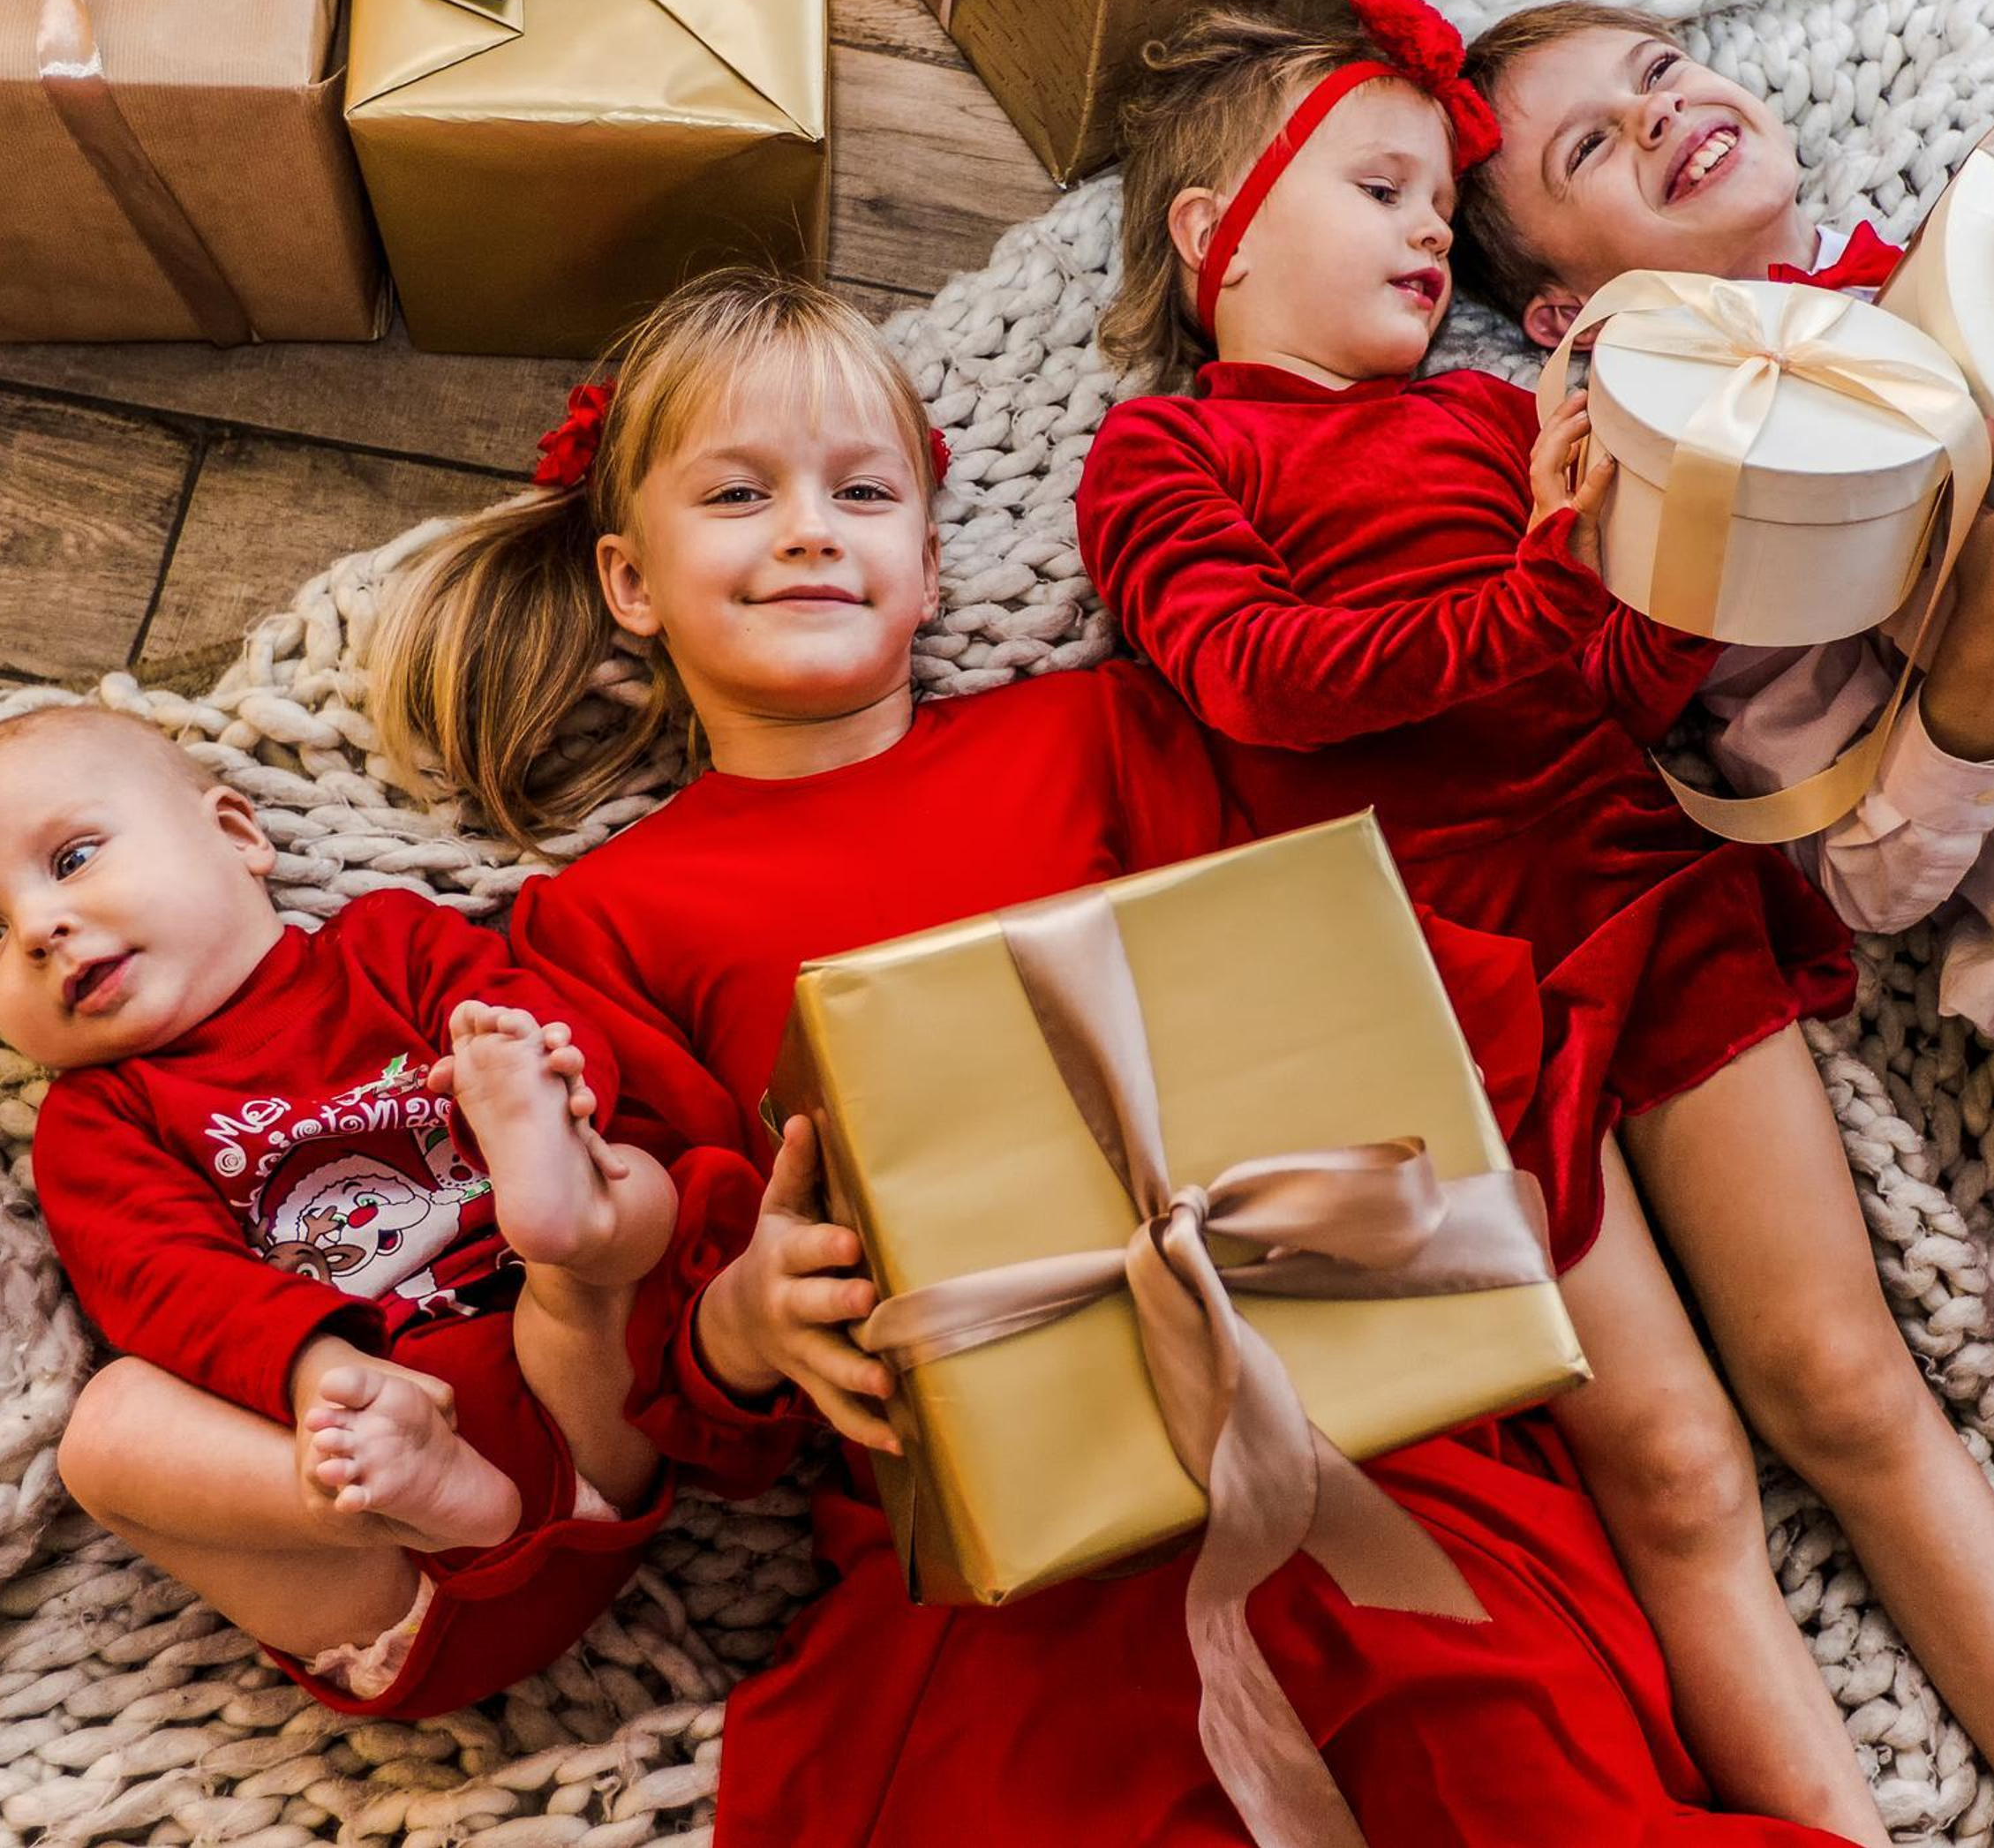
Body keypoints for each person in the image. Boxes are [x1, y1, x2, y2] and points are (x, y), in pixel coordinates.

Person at [372, 267, 1861, 1848]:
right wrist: (750, 1322)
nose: (809, 529)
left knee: (1513, 1759)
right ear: (628, 581)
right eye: (740, 495)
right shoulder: (601, 923)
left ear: (931, 566)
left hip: (1323, 1420)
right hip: (1013, 1539)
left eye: (861, 493)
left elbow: (1338, 982)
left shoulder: (1102, 734)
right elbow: (667, 1330)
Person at [1455, 0, 1994, 1848]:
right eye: (1590, 150)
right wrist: (1989, 658)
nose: (1662, 108)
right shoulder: (1704, 521)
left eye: (1661, 65)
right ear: (1564, 323)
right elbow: (1861, 881)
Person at [6, 704, 747, 1717]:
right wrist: (334, 1393)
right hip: (380, 1569)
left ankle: (556, 1201)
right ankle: (373, 1500)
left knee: (634, 1185)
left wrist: (526, 1078)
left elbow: (541, 1021)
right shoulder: (96, 1121)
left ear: (237, 835)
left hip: (574, 1402)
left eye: (75, 856)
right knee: (106, 1430)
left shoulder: (387, 945)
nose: (39, 928)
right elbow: (172, 1288)